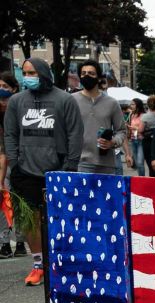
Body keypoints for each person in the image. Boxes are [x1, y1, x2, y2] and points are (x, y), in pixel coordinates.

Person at [3, 58, 83, 286]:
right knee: (30, 222)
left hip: (57, 170)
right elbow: (9, 134)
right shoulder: (17, 101)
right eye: (25, 72)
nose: (28, 76)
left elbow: (75, 135)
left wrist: (70, 167)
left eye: (32, 73)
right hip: (24, 171)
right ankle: (38, 264)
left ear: (44, 74)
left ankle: (61, 263)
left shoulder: (64, 100)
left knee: (60, 220)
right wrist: (14, 161)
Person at [72, 60, 124, 176]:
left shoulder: (112, 103)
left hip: (106, 164)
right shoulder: (71, 101)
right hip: (79, 163)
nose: (87, 76)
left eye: (91, 73)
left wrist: (113, 142)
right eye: (83, 73)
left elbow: (121, 131)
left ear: (99, 77)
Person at [0, 72, 16, 258]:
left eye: (5, 86)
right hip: (4, 162)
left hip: (18, 164)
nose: (2, 90)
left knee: (19, 205)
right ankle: (4, 242)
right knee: (3, 204)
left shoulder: (19, 108)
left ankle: (20, 241)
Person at [139, 94, 155, 177]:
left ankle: (153, 182)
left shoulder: (145, 116)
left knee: (150, 164)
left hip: (148, 142)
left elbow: (140, 130)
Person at [127, 98, 146, 174]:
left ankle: (142, 180)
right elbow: (130, 126)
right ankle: (140, 178)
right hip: (133, 139)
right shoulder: (131, 114)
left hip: (141, 140)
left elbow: (143, 129)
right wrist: (128, 128)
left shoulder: (143, 115)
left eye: (133, 104)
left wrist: (134, 128)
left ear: (138, 105)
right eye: (131, 104)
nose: (131, 106)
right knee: (137, 163)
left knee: (140, 162)